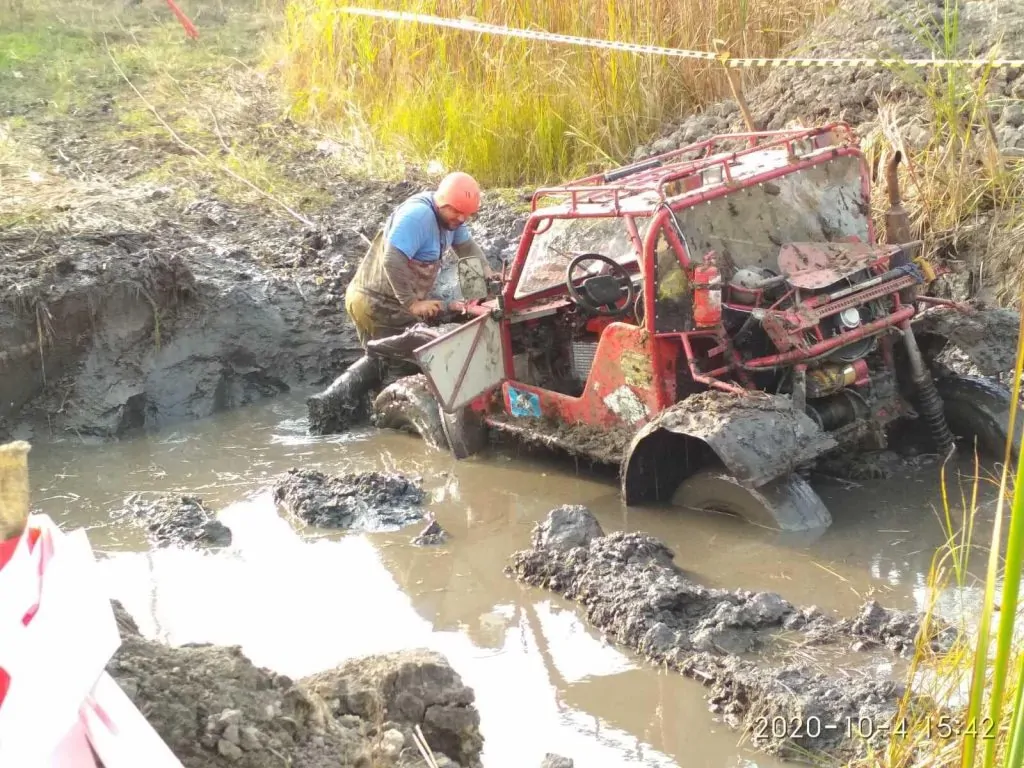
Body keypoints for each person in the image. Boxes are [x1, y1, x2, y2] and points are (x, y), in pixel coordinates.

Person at [344, 171, 496, 348]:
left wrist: (486, 279)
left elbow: (466, 248)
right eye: (456, 211)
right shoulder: (418, 217)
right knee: (407, 363)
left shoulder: (452, 221)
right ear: (442, 202)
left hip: (394, 300)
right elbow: (392, 260)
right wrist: (412, 304)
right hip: (376, 302)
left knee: (386, 360)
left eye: (466, 214)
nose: (461, 219)